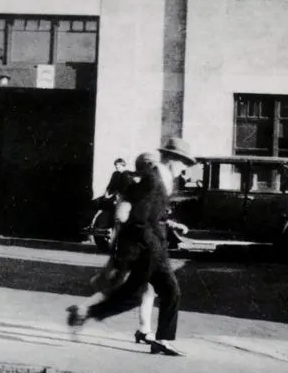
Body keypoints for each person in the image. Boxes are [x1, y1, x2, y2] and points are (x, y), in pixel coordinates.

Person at [67, 138, 196, 356]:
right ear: (172, 159)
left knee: (139, 293)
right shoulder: (153, 179)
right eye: (183, 163)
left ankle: (85, 313)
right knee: (163, 291)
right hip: (150, 247)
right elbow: (136, 216)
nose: (184, 169)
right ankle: (161, 339)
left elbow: (152, 213)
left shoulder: (160, 179)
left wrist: (170, 225)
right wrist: (148, 243)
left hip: (151, 246)